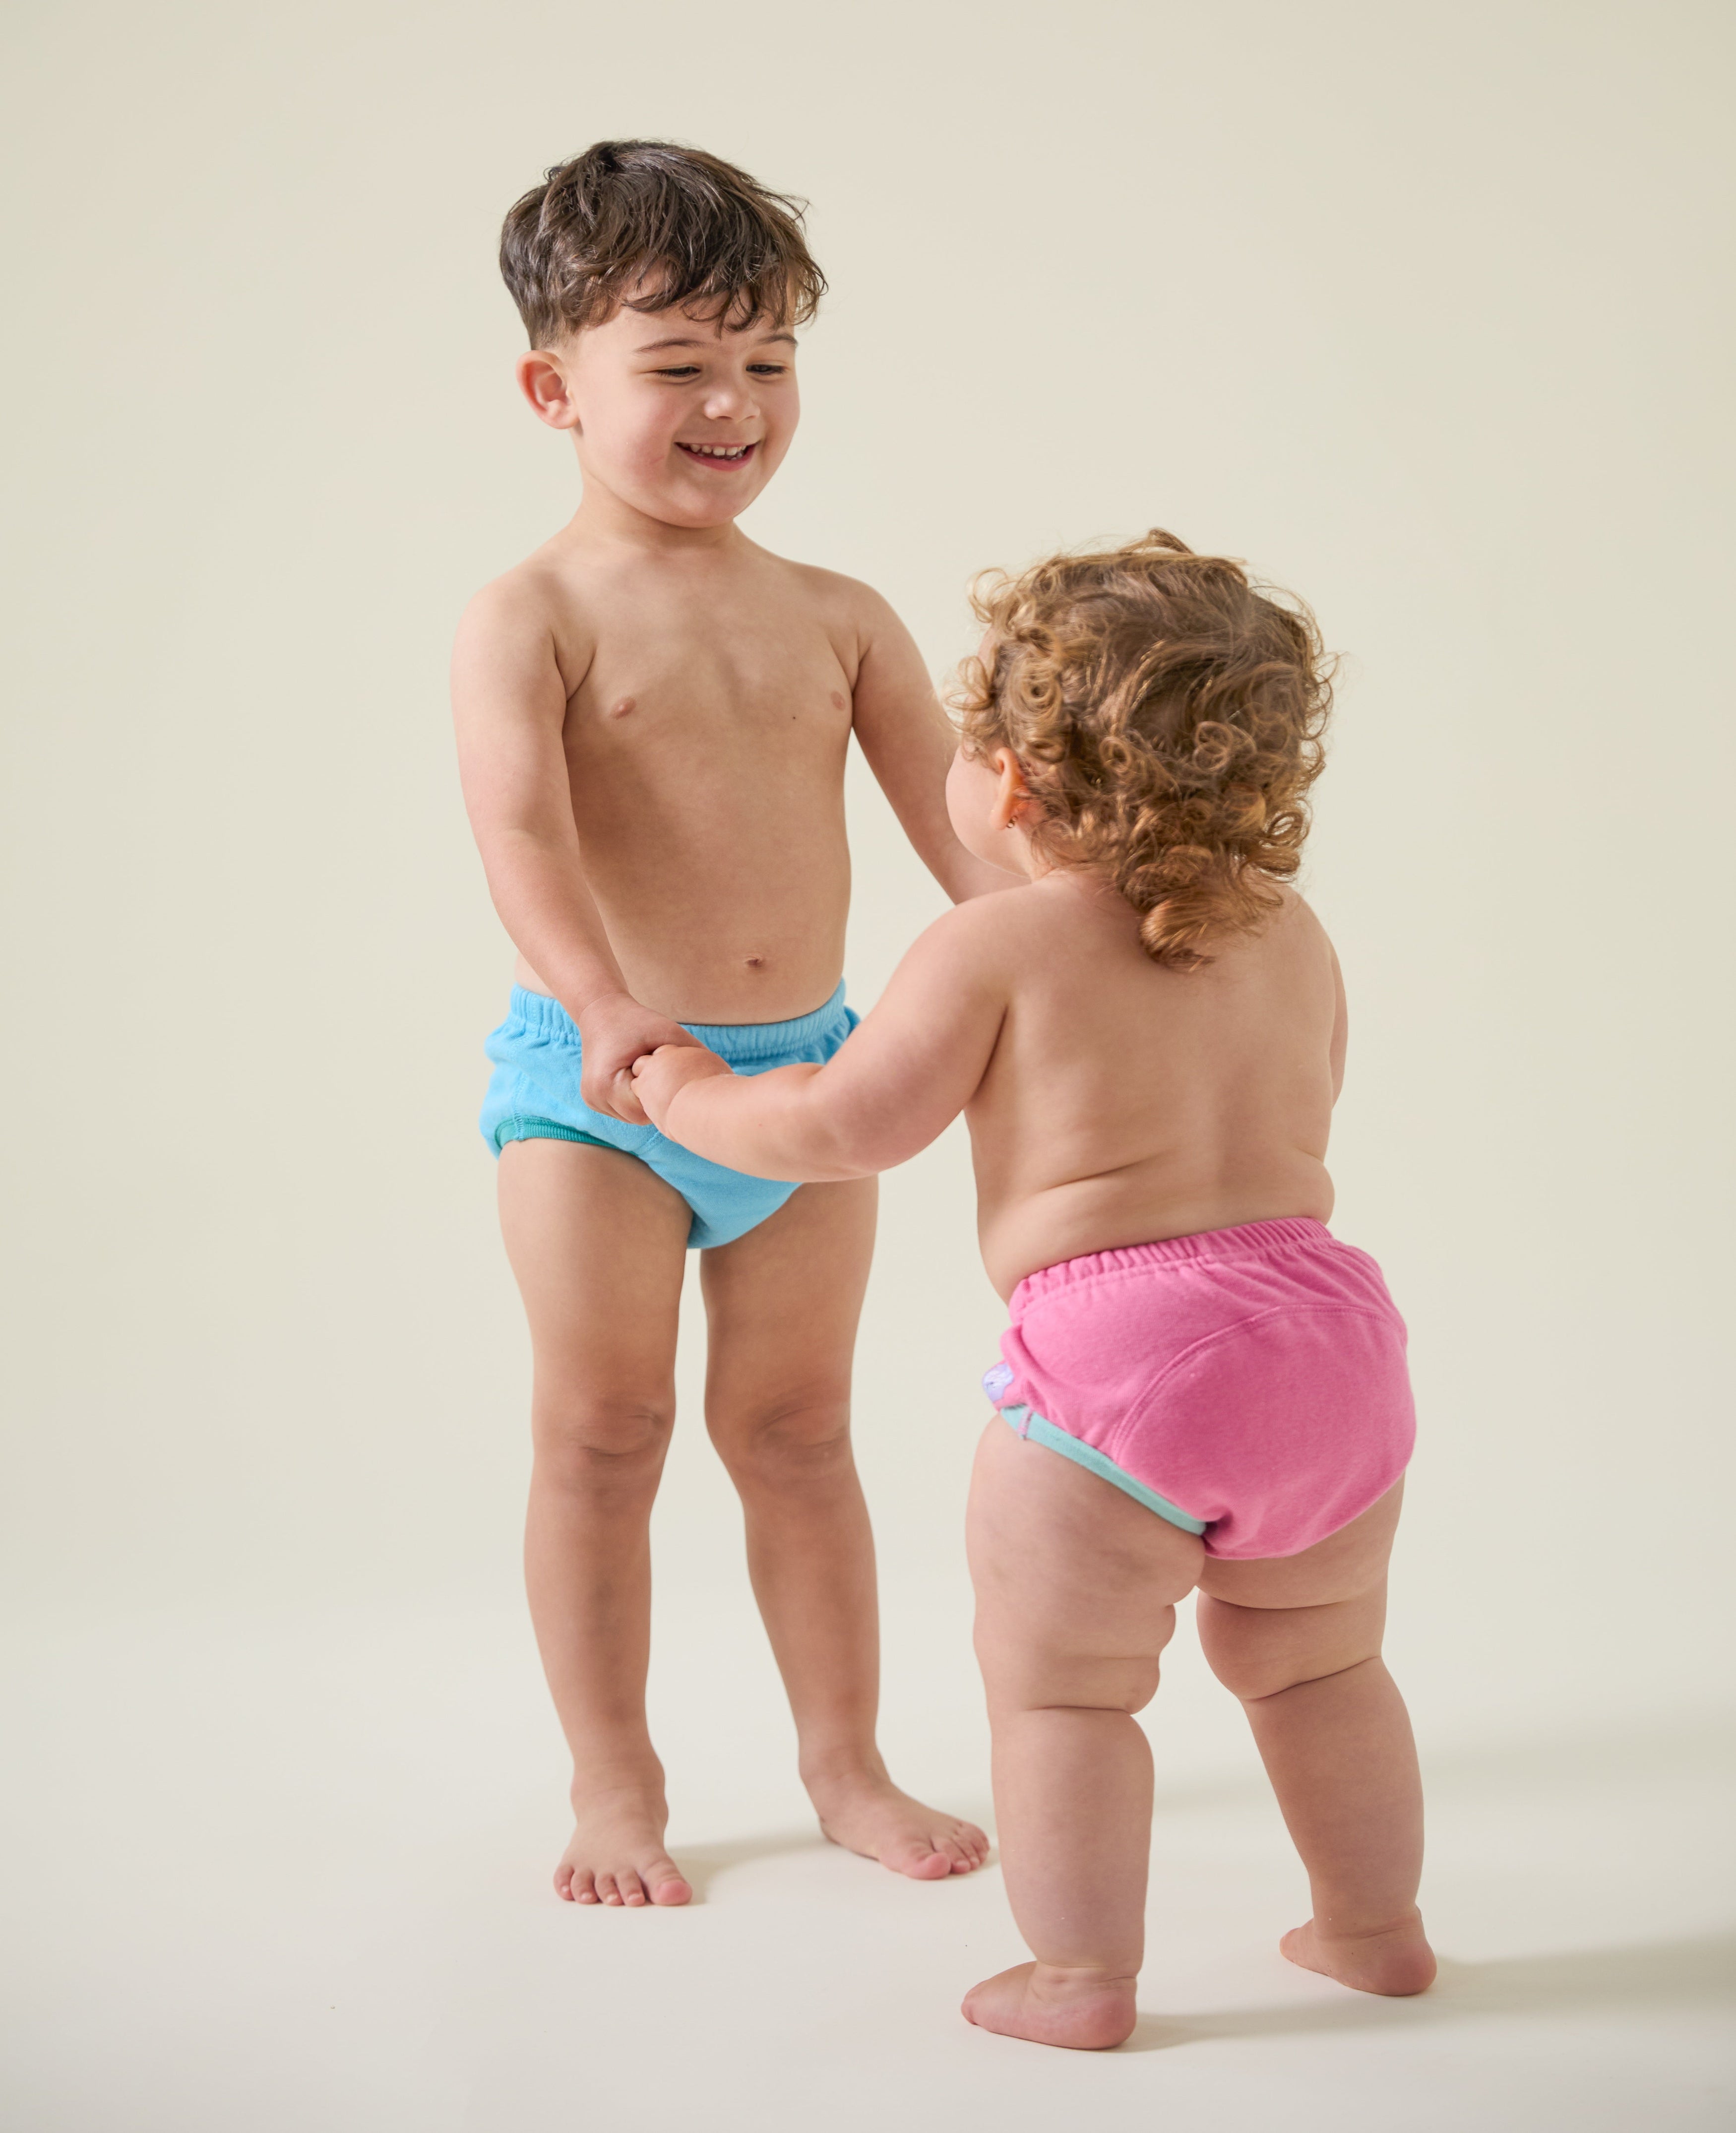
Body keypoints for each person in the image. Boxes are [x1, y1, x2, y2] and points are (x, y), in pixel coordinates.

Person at [631, 530, 1435, 2044]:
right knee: (1323, 1661)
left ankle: (1080, 1977)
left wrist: (681, 1092)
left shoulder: (992, 943)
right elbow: (1311, 1106)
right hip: (1328, 1344)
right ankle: (1372, 1926)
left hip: (1118, 1365)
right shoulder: (1292, 933)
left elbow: (832, 1129)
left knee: (1067, 1694)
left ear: (1003, 777)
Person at [453, 140, 1002, 1908]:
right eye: (676, 364)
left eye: (764, 363)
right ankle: (614, 1784)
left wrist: (1073, 952)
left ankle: (843, 1761)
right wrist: (608, 1004)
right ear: (555, 387)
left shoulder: (836, 615)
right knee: (601, 1430)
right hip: (599, 1088)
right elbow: (522, 832)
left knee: (796, 1433)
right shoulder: (528, 612)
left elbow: (961, 830)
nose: (731, 404)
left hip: (810, 1083)